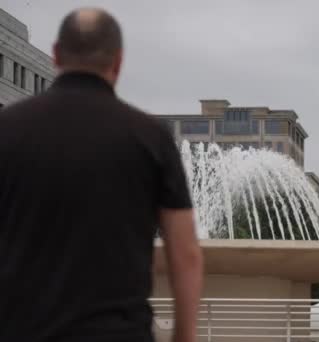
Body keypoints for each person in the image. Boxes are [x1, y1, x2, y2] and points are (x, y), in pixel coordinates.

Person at [0, 8, 203, 342]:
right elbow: (185, 253)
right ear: (118, 62)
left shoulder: (7, 129)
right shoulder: (151, 137)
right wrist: (184, 336)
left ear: (55, 55)